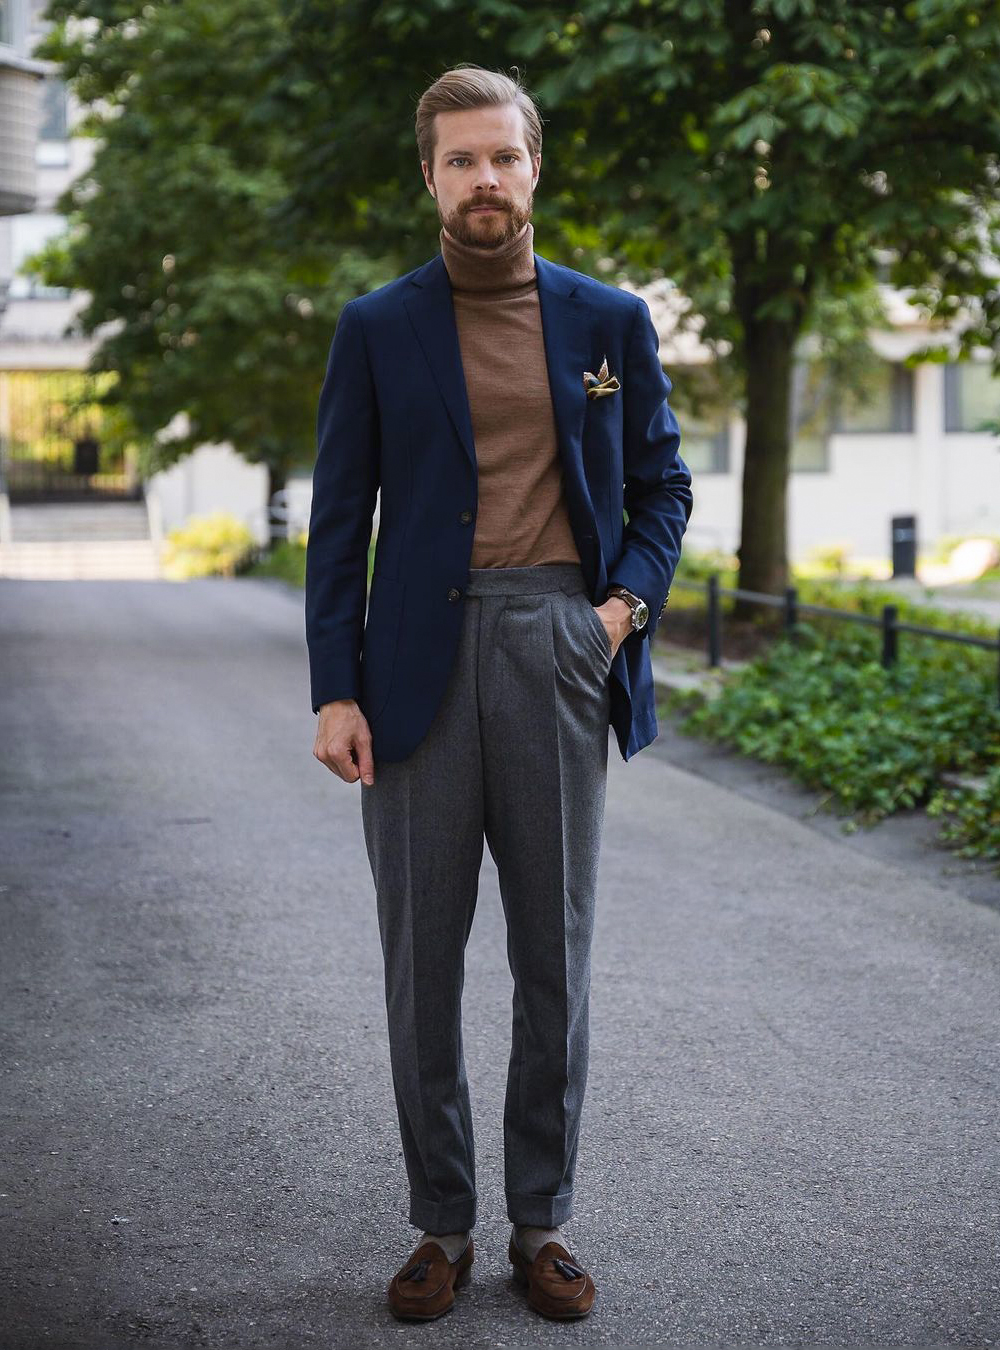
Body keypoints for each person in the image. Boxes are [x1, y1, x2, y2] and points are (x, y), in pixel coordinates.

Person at [305, 63, 692, 1323]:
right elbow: (337, 522)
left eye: (503, 157)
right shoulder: (376, 326)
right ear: (429, 175)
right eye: (460, 159)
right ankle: (441, 1226)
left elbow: (662, 490)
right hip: (411, 663)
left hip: (556, 646)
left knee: (553, 958)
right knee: (421, 964)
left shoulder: (607, 323)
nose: (485, 179)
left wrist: (618, 615)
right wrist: (333, 689)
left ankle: (540, 1224)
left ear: (536, 169)